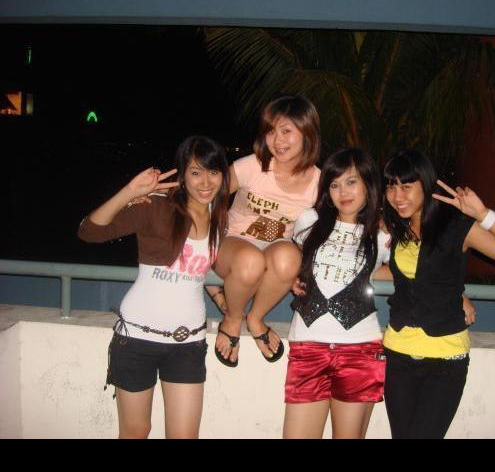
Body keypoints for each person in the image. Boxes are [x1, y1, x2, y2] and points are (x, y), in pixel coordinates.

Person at [77, 136, 230, 439]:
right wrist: (130, 192)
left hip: (188, 342)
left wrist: (230, 311)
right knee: (136, 430)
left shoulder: (221, 218)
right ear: (182, 175)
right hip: (137, 338)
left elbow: (198, 273)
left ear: (223, 175)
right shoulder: (157, 206)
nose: (205, 182)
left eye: (213, 172)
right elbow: (89, 232)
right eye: (195, 172)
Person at [381, 148, 495, 439]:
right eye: (391, 186)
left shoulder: (456, 227)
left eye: (406, 186)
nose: (397, 196)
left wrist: (483, 215)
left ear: (426, 185)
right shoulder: (397, 229)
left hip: (445, 358)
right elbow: (408, 275)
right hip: (398, 353)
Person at [283, 148, 391, 438]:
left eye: (351, 182)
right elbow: (284, 258)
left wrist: (457, 294)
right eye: (334, 184)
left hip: (360, 349)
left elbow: (414, 270)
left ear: (368, 184)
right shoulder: (309, 220)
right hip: (308, 348)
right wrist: (289, 275)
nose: (343, 192)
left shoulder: (382, 234)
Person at [213, 95, 321, 367]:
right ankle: (233, 318)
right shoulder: (253, 165)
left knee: (290, 258)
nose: (277, 140)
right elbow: (209, 196)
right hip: (232, 245)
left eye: (286, 131)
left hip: (275, 251)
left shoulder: (318, 183)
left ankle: (256, 318)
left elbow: (320, 231)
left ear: (307, 133)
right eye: (271, 131)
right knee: (250, 260)